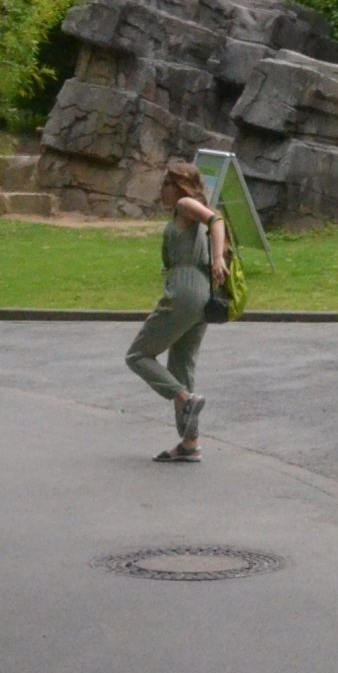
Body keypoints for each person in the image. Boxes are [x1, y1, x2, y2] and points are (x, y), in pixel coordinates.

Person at [125, 160, 229, 462]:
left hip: (184, 290)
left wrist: (218, 258)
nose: (161, 191)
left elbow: (216, 220)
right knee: (182, 366)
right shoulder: (187, 208)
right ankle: (189, 443)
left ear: (178, 185)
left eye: (165, 185)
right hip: (203, 296)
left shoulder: (186, 204)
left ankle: (186, 399)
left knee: (137, 355)